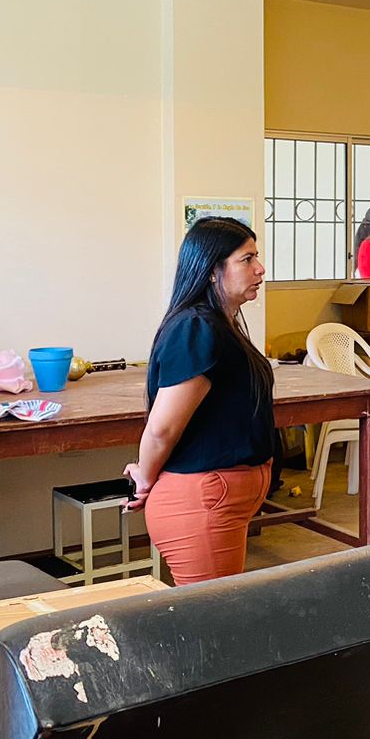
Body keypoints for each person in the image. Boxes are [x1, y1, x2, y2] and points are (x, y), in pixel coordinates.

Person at [125, 217, 275, 585]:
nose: (260, 268)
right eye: (247, 259)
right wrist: (144, 477)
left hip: (219, 501)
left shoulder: (221, 325)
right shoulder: (197, 328)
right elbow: (161, 429)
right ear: (211, 271)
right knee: (212, 615)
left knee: (217, 610)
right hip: (202, 502)